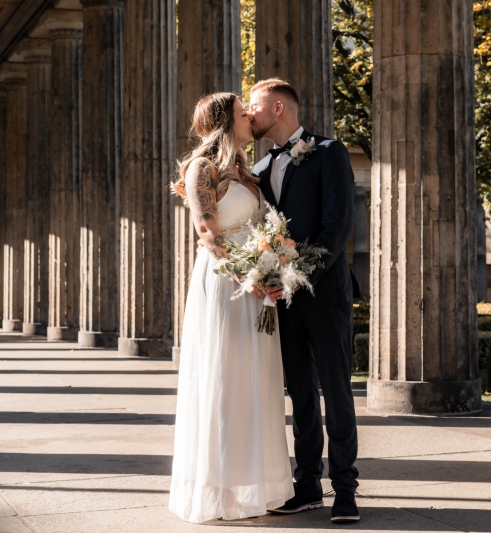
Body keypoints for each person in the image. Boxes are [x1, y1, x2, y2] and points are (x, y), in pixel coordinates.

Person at [168, 92, 294, 523]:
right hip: (225, 283)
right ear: (226, 122)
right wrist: (250, 278)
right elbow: (207, 230)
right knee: (223, 378)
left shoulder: (245, 171)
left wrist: (275, 268)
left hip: (257, 284)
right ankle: (216, 490)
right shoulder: (203, 168)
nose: (250, 119)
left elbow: (258, 229)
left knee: (254, 380)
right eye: (244, 113)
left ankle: (252, 485)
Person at [248, 78, 361, 523]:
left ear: (278, 107)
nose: (250, 115)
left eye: (254, 106)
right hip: (283, 301)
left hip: (325, 294)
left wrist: (298, 276)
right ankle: (308, 483)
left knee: (336, 393)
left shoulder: (329, 152)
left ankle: (346, 489)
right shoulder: (258, 170)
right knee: (299, 395)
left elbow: (337, 225)